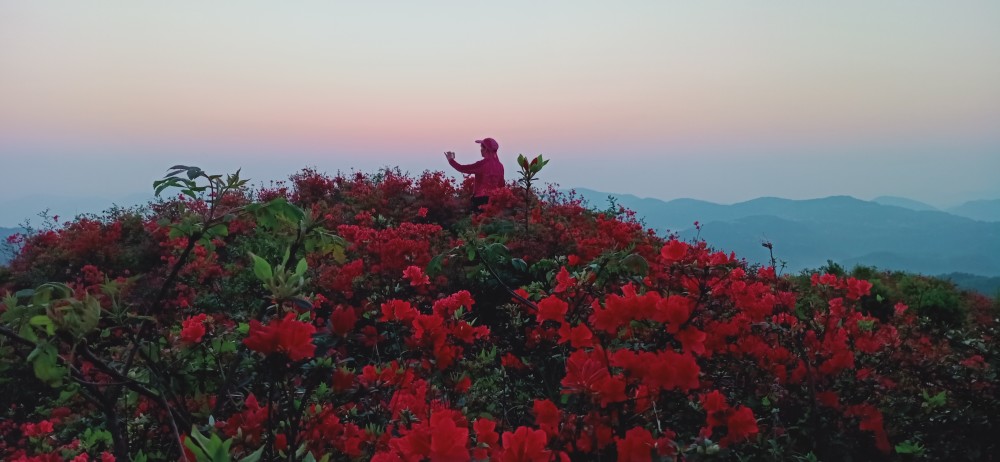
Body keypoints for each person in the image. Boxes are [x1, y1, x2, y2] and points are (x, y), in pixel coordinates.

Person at [445, 137, 505, 212]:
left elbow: (463, 168)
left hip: (480, 200)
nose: (480, 150)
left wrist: (451, 160)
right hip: (494, 201)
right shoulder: (500, 166)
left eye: (481, 147)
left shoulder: (482, 164)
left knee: (479, 222)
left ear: (486, 149)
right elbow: (502, 185)